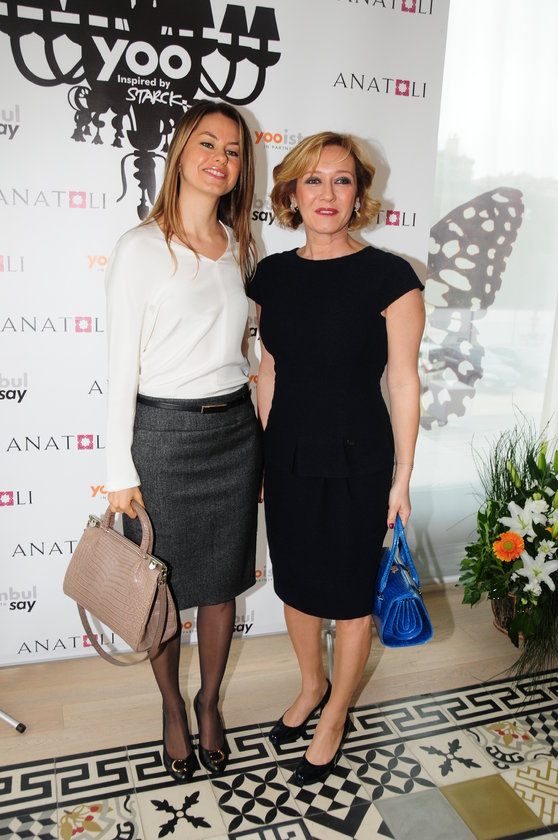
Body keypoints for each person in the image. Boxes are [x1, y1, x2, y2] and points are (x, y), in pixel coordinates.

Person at [248, 132, 425, 786]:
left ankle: (336, 714)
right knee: (296, 585)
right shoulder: (271, 275)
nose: (327, 194)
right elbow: (269, 371)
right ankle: (311, 685)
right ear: (292, 193)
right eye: (313, 180)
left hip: (360, 457)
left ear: (359, 194)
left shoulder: (392, 277)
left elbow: (403, 382)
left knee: (350, 596)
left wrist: (402, 477)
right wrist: (264, 455)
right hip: (288, 455)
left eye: (342, 180)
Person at [104, 100, 262, 783]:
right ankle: (172, 706)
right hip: (162, 437)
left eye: (233, 149)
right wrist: (119, 469)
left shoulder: (239, 246)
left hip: (233, 432)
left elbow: (248, 351)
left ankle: (209, 703)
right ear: (179, 152)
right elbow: (119, 368)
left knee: (222, 585)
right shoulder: (140, 248)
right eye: (207, 143)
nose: (220, 158)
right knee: (160, 591)